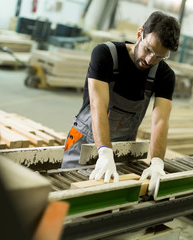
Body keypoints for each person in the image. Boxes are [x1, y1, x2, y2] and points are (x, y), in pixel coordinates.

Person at [62, 11, 181, 195]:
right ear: (139, 33)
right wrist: (104, 152)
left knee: (108, 203)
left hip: (122, 151)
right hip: (82, 145)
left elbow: (160, 121)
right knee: (66, 194)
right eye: (148, 50)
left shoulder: (164, 75)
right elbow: (97, 105)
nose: (150, 60)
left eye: (159, 57)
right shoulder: (105, 55)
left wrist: (157, 162)